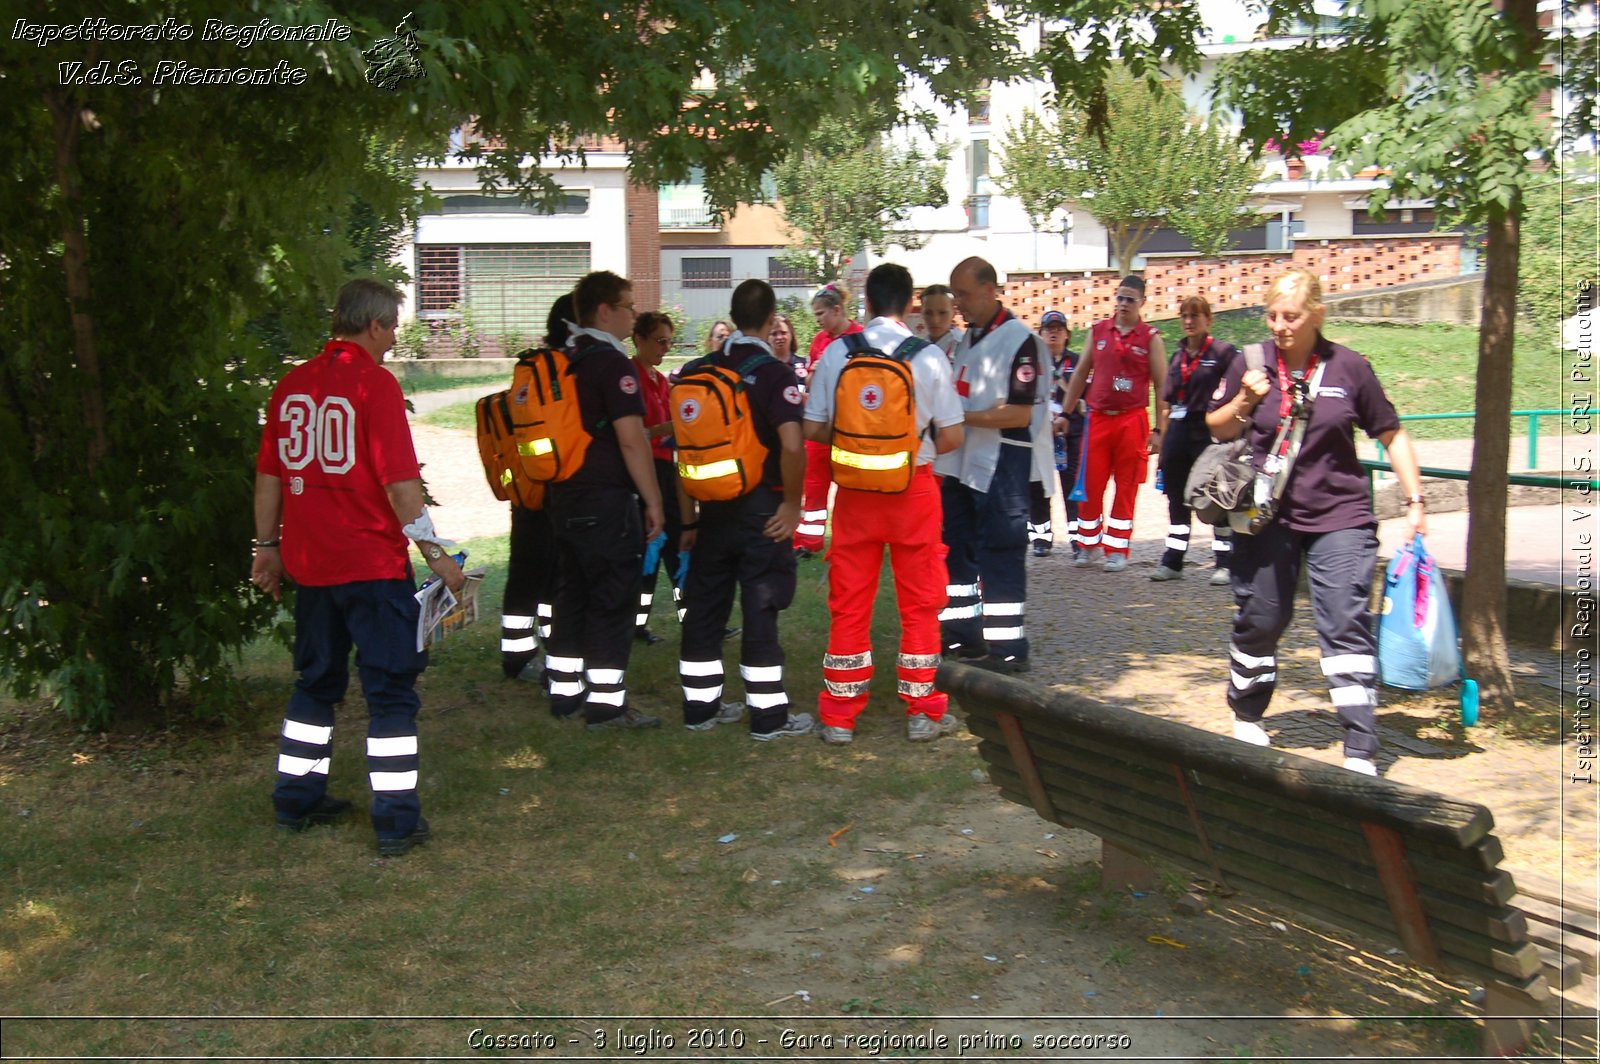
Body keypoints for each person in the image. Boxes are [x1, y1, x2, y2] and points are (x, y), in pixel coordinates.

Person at [252, 279, 463, 857]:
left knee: (314, 685)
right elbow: (401, 487)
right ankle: (395, 821)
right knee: (391, 691)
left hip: (311, 565)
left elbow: (270, 474)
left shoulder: (292, 385)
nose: (395, 338)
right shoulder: (375, 386)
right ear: (374, 326)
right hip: (369, 565)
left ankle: (295, 798)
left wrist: (265, 545)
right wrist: (439, 558)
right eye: (393, 326)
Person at [1206, 267, 1427, 776]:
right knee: (1263, 618)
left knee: (1345, 623)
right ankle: (1246, 708)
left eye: (1292, 316)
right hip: (1267, 518)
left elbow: (1391, 435)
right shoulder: (1252, 362)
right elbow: (1215, 426)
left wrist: (1416, 501)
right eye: (1273, 315)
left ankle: (1360, 747)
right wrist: (1245, 399)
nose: (1280, 325)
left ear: (1317, 316)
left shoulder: (1350, 368)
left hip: (1341, 517)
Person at [804, 263, 965, 743]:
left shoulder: (837, 353)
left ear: (867, 305)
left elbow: (813, 428)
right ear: (908, 306)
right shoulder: (930, 357)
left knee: (850, 603)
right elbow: (953, 436)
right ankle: (922, 711)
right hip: (913, 490)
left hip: (855, 492)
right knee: (920, 603)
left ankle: (838, 716)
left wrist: (860, 445)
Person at [675, 280, 815, 740]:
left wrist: (689, 518)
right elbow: (793, 445)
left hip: (712, 511)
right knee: (761, 607)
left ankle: (700, 708)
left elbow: (685, 454)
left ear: (732, 318)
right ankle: (769, 717)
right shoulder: (775, 375)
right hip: (763, 512)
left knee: (704, 611)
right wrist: (793, 505)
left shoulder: (699, 370)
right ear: (773, 318)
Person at [543, 270, 667, 729]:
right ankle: (607, 704)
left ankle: (564, 693)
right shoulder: (612, 364)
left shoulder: (563, 358)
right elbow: (632, 441)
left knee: (571, 592)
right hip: (605, 500)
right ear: (604, 310)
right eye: (628, 306)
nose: (633, 314)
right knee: (613, 599)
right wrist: (653, 500)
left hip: (563, 495)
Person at [937, 257, 1055, 673]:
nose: (958, 305)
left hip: (1004, 460)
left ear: (990, 290)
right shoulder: (968, 340)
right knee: (958, 551)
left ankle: (1007, 649)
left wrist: (962, 417)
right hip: (964, 463)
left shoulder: (1019, 342)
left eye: (964, 295)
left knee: (1000, 553)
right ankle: (961, 636)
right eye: (955, 296)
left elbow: (1019, 414)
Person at [1061, 275, 1168, 573]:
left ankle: (1117, 548)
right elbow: (1080, 375)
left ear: (1142, 302)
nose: (1122, 304)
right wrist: (1065, 414)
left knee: (1126, 486)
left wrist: (1160, 429)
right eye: (1119, 298)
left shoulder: (1151, 338)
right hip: (1097, 419)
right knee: (1089, 485)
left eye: (1129, 299)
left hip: (1131, 421)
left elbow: (1162, 386)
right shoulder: (1099, 332)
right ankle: (1087, 544)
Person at [500, 295, 572, 683]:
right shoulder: (561, 370)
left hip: (526, 488)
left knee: (526, 573)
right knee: (554, 575)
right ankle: (538, 651)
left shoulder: (528, 368)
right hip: (556, 489)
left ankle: (518, 653)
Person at [1152, 295, 1238, 585]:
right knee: (1176, 499)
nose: (1189, 321)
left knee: (1217, 496)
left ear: (1208, 319)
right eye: (1184, 316)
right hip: (1177, 433)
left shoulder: (1223, 353)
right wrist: (1161, 440)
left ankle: (1225, 562)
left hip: (1207, 434)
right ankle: (1173, 561)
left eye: (1195, 316)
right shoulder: (1176, 356)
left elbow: (1237, 389)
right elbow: (1165, 401)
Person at [795, 282, 863, 559]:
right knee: (814, 482)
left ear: (838, 310)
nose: (819, 320)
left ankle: (851, 540)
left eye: (822, 314)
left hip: (850, 422)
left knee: (851, 482)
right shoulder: (820, 340)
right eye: (816, 316)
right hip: (820, 421)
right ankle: (808, 541)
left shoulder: (861, 337)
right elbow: (810, 379)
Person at [630, 311, 684, 645]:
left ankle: (693, 618)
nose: (665, 348)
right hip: (644, 473)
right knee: (649, 552)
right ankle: (636, 625)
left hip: (668, 471)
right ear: (639, 340)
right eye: (659, 341)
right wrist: (669, 429)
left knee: (680, 547)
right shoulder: (630, 378)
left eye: (668, 342)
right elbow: (635, 434)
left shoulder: (660, 381)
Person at [1025, 309, 1081, 556]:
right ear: (1040, 334)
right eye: (1049, 329)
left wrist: (1127, 384)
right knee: (1038, 486)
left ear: (1067, 334)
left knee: (1073, 486)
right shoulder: (1029, 364)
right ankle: (1040, 536)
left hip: (1071, 432)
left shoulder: (1079, 362)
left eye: (1058, 329)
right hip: (1039, 433)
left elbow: (1108, 382)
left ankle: (1078, 537)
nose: (1054, 333)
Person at [919, 283, 963, 364]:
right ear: (921, 313)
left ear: (954, 312)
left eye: (942, 313)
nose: (935, 320)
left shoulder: (963, 346)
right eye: (928, 313)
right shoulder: (915, 346)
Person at [770, 312, 808, 388]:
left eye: (783, 333)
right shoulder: (762, 367)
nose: (779, 337)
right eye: (774, 334)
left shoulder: (805, 364)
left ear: (791, 335)